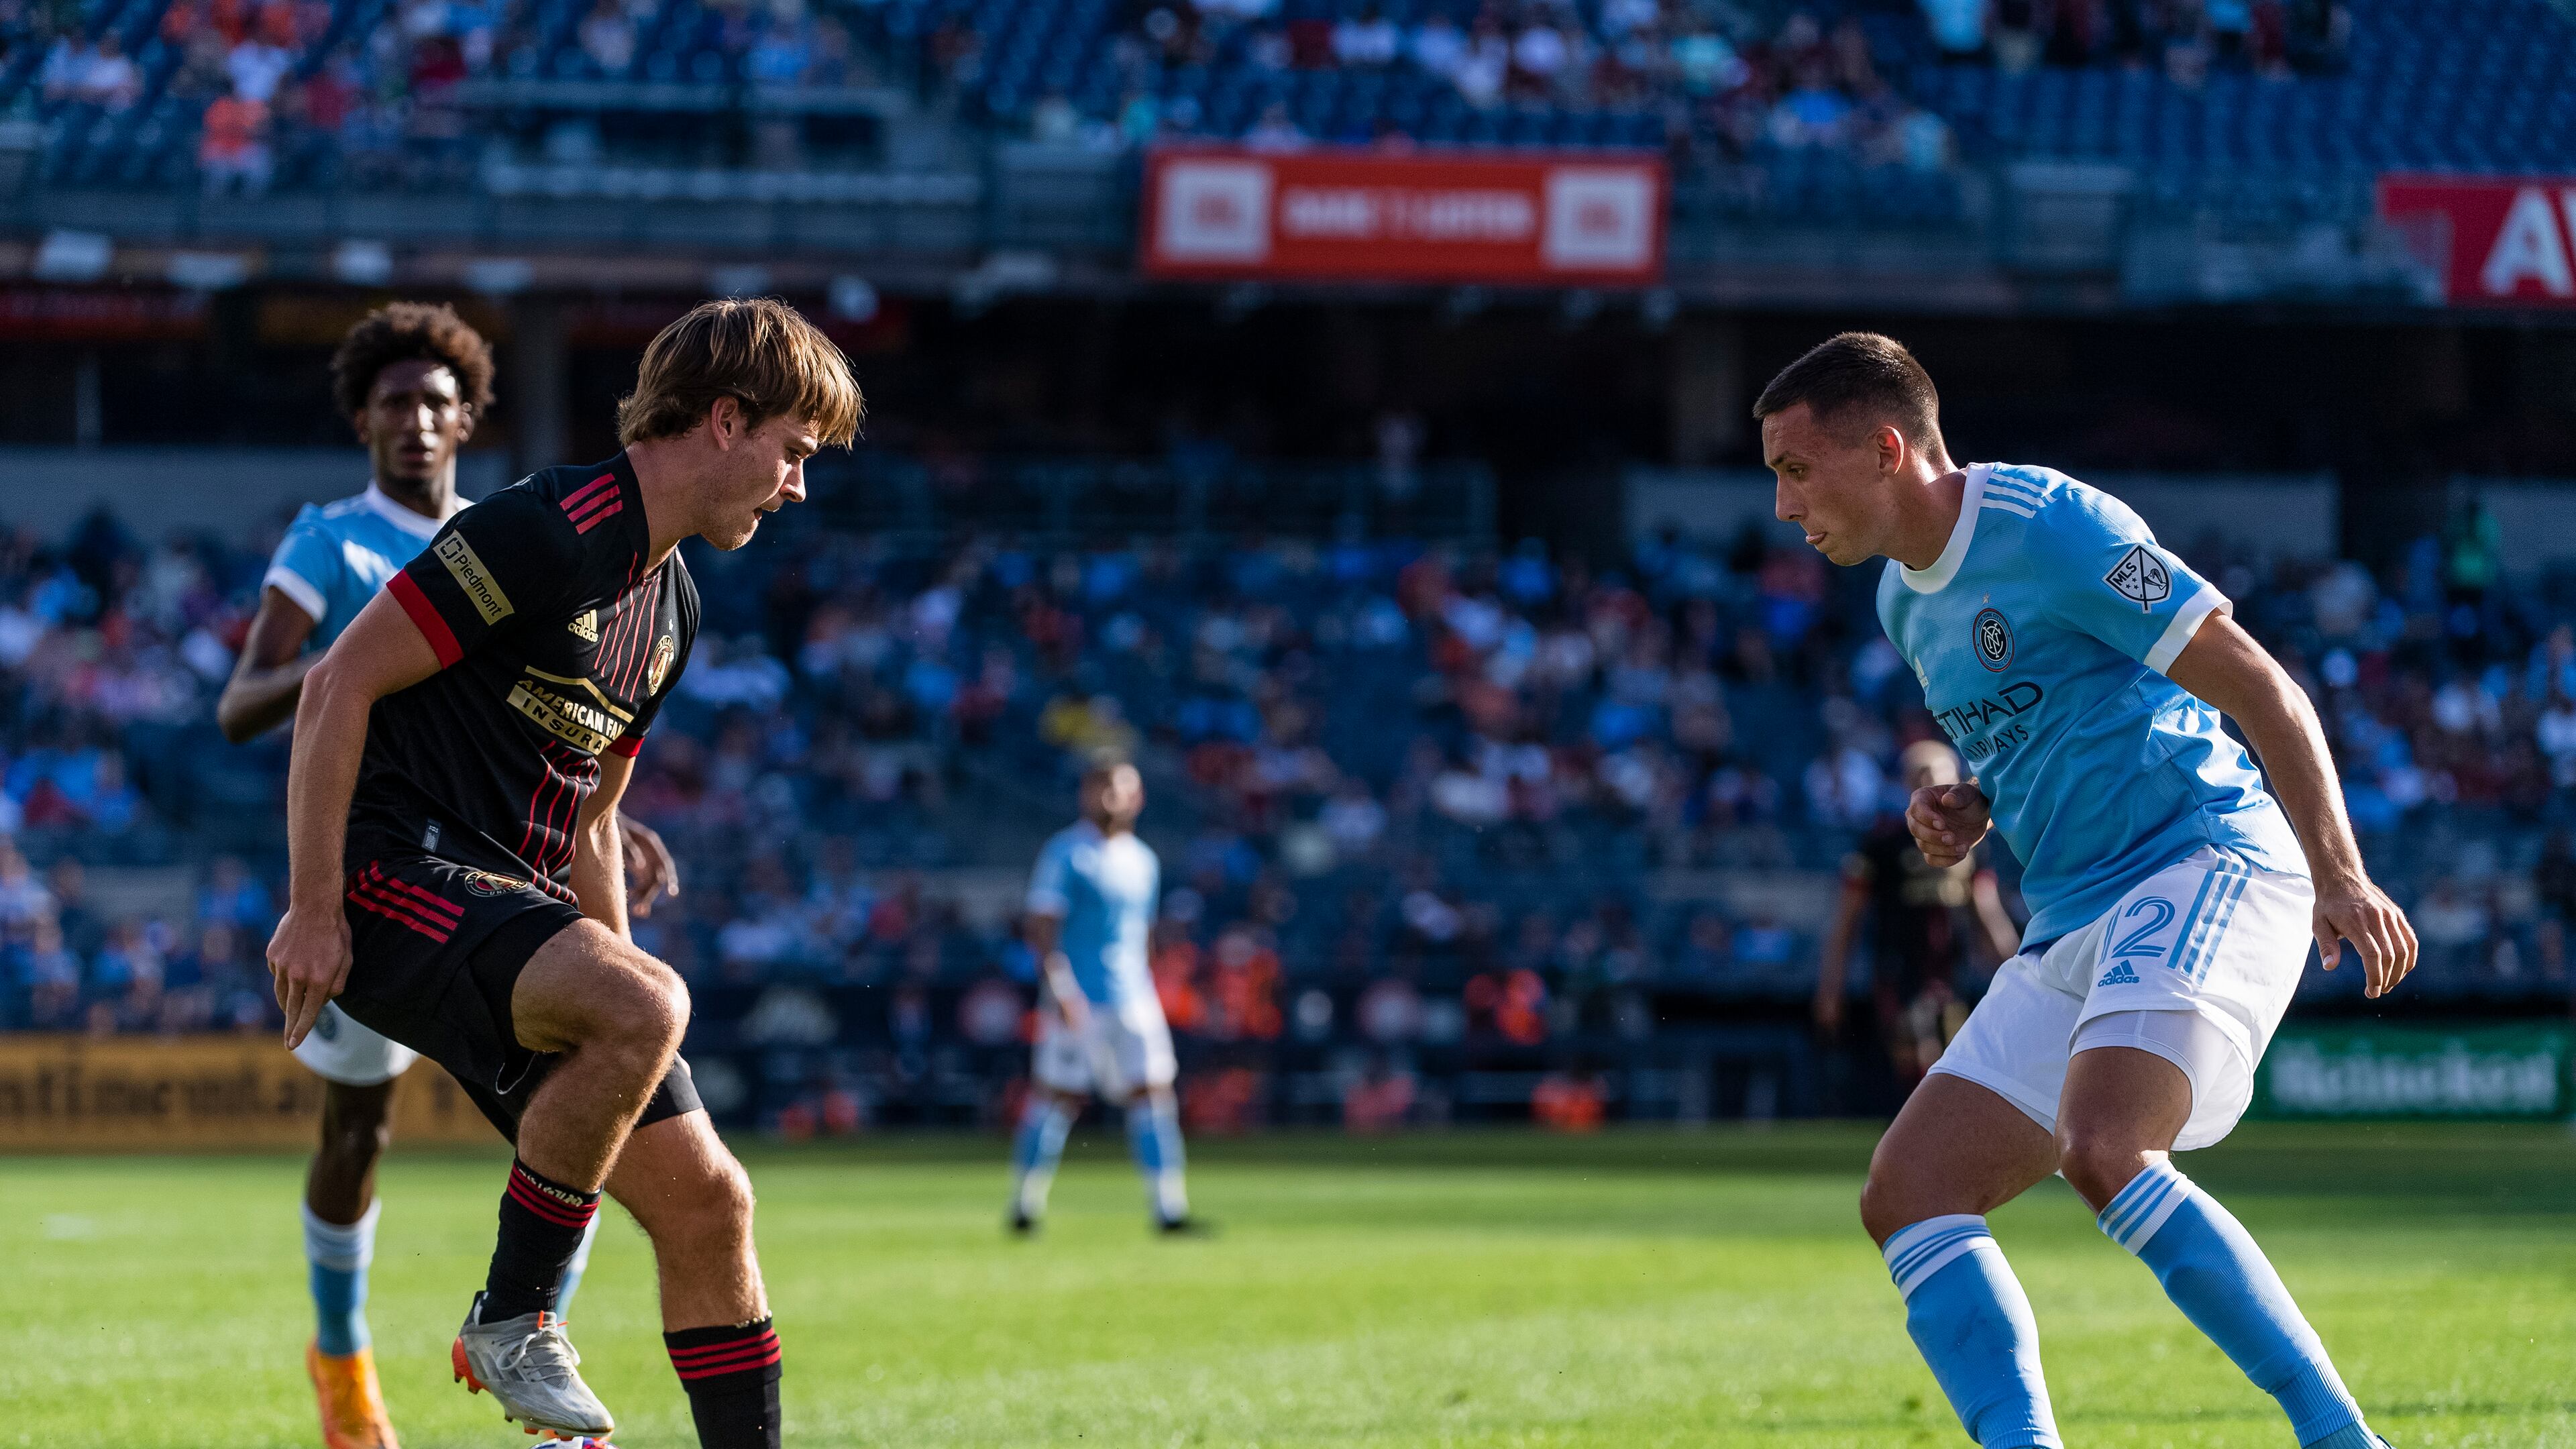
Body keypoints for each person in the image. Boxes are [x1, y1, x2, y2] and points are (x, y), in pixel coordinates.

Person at [1760, 331, 2415, 1449]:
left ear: (1883, 449)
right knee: (1907, 1193)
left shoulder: (2054, 527)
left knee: (2105, 1146)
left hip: (2203, 856)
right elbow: (2041, 726)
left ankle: (2342, 1439)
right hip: (2074, 913)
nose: (1783, 506)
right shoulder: (1901, 605)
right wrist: (1971, 803)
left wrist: (2339, 872)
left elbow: (2258, 681)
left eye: (1795, 469)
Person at [264, 297, 862, 1448]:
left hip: (512, 918)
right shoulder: (545, 526)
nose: (796, 486)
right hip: (396, 881)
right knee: (646, 1007)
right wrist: (313, 906)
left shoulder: (675, 603)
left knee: (713, 1205)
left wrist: (635, 1022)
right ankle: (515, 1316)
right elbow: (336, 684)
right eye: (793, 452)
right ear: (728, 421)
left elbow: (592, 823)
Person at [217, 301, 680, 1449]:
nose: (415, 422)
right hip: (376, 863)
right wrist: (353, 654)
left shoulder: (516, 532)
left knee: (577, 1114)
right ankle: (342, 1364)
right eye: (392, 404)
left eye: (436, 403)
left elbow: (566, 724)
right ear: (363, 420)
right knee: (357, 1134)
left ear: (470, 416)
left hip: (498, 877)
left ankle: (537, 1378)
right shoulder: (331, 542)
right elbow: (243, 704)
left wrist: (612, 827)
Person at [1005, 756, 1205, 1235]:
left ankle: (1169, 1209)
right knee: (1058, 1097)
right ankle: (1024, 1205)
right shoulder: (1067, 853)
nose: (1111, 797)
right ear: (1086, 794)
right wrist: (1061, 990)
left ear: (1138, 797)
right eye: (1102, 788)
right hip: (1082, 997)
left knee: (1153, 1092)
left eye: (1121, 789)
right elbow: (1042, 928)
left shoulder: (1143, 860)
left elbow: (1144, 935)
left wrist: (1156, 986)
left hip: (1133, 996)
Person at [1814, 739, 2021, 1087]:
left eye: (1936, 774)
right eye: (1919, 775)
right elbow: (1848, 919)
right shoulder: (1881, 843)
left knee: (1951, 1063)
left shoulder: (1970, 846)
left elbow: (1987, 913)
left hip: (1950, 972)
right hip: (1898, 968)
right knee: (1915, 1058)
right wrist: (1831, 988)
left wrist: (2018, 971)